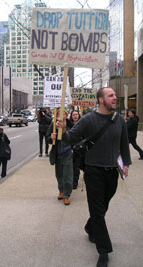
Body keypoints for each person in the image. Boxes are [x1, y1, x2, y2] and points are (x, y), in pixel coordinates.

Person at [57, 87, 131, 267]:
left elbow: (124, 143)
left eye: (114, 95)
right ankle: (104, 250)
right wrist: (63, 130)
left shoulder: (119, 120)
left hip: (112, 172)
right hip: (93, 172)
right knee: (97, 211)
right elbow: (70, 138)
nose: (114, 98)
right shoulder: (88, 119)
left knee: (103, 206)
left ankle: (90, 227)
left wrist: (126, 164)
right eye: (110, 95)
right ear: (100, 100)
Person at [46, 108, 73, 205]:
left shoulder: (70, 125)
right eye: (59, 114)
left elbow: (75, 137)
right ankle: (61, 191)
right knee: (59, 175)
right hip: (58, 154)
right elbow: (47, 138)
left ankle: (66, 195)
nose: (61, 116)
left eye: (63, 114)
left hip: (68, 153)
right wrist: (51, 138)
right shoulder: (53, 126)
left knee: (68, 176)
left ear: (66, 115)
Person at [69, 110, 81, 189]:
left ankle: (75, 182)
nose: (75, 116)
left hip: (79, 149)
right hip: (70, 148)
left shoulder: (82, 124)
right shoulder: (69, 124)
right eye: (73, 114)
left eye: (76, 114)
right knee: (71, 167)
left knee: (77, 167)